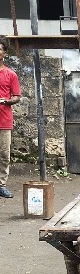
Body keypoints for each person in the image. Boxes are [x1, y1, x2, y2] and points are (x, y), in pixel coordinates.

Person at [0, 36, 21, 199]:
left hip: (4, 120)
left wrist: (6, 101)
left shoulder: (10, 74)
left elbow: (17, 96)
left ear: (4, 53)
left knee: (4, 154)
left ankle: (1, 184)